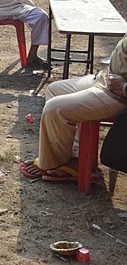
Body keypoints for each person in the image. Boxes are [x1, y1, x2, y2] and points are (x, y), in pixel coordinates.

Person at [19, 34, 127, 182]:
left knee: (54, 109)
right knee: (54, 89)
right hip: (106, 80)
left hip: (118, 96)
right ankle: (74, 157)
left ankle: (57, 162)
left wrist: (123, 87)